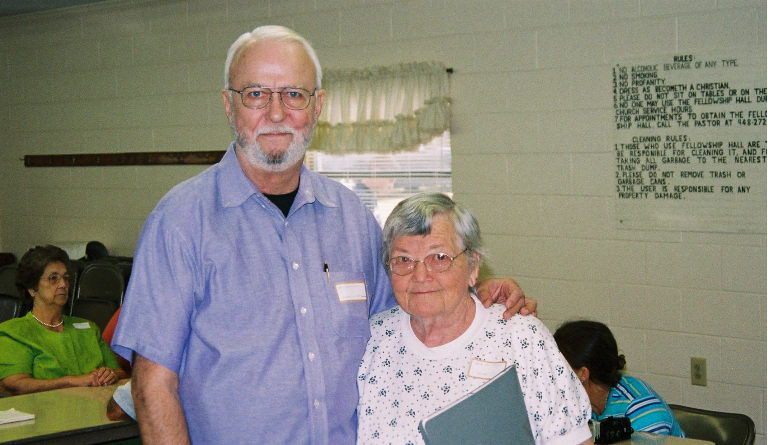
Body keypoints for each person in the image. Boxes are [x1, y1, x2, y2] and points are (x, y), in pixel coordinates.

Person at [111, 25, 533, 444]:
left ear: (318, 106)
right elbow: (152, 385)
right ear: (228, 105)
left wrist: (477, 294)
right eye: (256, 94)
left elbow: (411, 317)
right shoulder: (180, 222)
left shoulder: (352, 218)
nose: (276, 113)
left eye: (294, 94)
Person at [356, 193, 592, 445]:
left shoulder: (521, 338)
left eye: (439, 258)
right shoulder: (372, 340)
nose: (420, 275)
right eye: (404, 260)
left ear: (473, 266)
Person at [0, 245, 128, 395]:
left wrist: (111, 374)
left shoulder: (89, 328)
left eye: (66, 278)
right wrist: (71, 381)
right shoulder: (13, 332)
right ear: (32, 288)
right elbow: (14, 384)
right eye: (53, 278)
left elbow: (120, 373)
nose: (63, 285)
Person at [553, 320, 684, 437]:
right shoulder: (575, 403)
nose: (550, 372)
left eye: (557, 366)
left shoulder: (643, 410)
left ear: (582, 374)